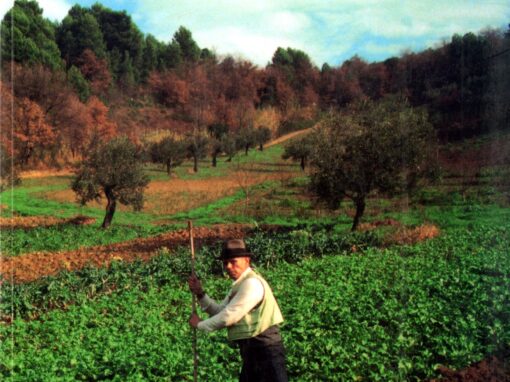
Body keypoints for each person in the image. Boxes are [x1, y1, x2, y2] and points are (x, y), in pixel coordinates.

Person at [188, 238, 288, 382]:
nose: (228, 266)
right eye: (225, 263)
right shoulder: (239, 285)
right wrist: (200, 293)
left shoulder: (251, 284)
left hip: (266, 349)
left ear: (246, 261)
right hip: (251, 351)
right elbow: (220, 310)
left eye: (233, 262)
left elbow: (229, 316)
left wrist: (200, 325)